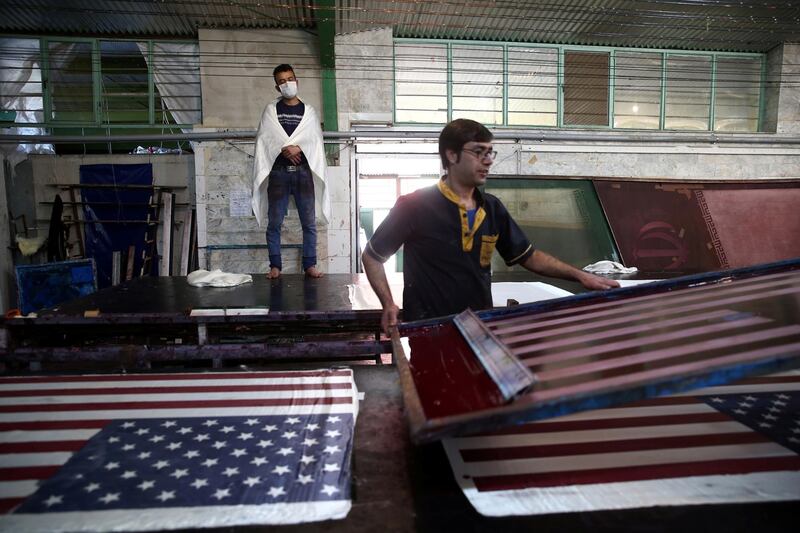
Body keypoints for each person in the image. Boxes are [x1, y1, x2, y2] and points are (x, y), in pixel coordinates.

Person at [362, 118, 620, 334]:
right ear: (451, 155)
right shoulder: (415, 205)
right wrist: (388, 303)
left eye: (489, 152)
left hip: (480, 327)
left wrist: (581, 276)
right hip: (429, 328)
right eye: (478, 152)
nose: (487, 160)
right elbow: (373, 256)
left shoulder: (492, 208)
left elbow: (528, 256)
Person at [252, 64, 328, 278]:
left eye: (290, 79)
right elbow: (267, 139)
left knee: (309, 222)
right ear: (277, 87)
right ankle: (275, 266)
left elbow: (313, 140)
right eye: (282, 81)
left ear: (297, 81)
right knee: (274, 221)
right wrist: (284, 149)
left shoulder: (309, 111)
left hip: (303, 171)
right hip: (278, 172)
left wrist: (299, 148)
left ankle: (310, 265)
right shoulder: (271, 110)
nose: (287, 84)